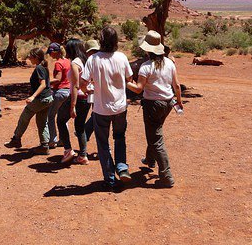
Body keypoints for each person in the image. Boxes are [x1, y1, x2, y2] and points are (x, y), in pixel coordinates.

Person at [127, 31, 181, 188]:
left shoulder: (146, 67)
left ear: (147, 49)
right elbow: (176, 85)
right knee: (155, 131)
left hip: (153, 105)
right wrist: (178, 101)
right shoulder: (170, 63)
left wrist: (124, 82)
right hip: (168, 103)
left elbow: (138, 89)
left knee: (156, 139)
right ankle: (150, 160)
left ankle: (166, 175)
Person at [80, 27, 133, 189]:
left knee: (103, 144)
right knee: (120, 137)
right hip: (120, 108)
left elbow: (83, 83)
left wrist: (88, 89)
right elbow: (129, 78)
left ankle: (110, 178)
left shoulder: (93, 59)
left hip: (101, 109)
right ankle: (122, 167)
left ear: (101, 41)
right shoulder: (122, 57)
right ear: (116, 41)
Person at [4, 48, 54, 155]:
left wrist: (32, 96)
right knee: (42, 122)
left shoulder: (39, 68)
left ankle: (16, 139)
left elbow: (43, 84)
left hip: (41, 99)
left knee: (25, 117)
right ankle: (44, 146)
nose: (29, 58)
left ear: (36, 57)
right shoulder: (44, 67)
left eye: (31, 56)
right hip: (48, 98)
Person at [55, 39, 91, 164]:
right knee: (80, 126)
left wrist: (72, 106)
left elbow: (75, 86)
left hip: (77, 98)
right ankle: (83, 155)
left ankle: (68, 150)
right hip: (86, 98)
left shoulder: (75, 63)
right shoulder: (85, 61)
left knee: (60, 120)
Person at [45, 42, 71, 149]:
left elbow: (58, 79)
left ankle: (53, 140)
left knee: (50, 116)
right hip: (68, 92)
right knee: (63, 117)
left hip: (59, 92)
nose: (50, 55)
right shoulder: (68, 61)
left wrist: (46, 83)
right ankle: (63, 139)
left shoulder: (58, 63)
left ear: (56, 52)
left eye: (51, 52)